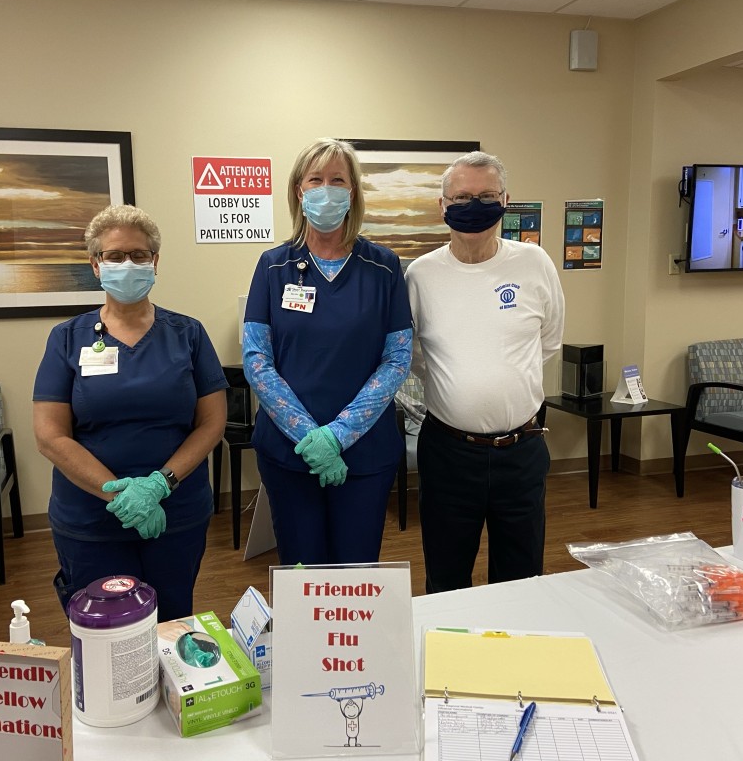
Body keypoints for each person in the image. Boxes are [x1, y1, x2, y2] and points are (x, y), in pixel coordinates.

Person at [33, 204, 227, 619]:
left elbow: (212, 422)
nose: (128, 264)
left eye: (139, 255)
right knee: (103, 630)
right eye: (115, 256)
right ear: (96, 265)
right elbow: (50, 435)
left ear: (155, 262)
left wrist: (160, 484)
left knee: (172, 623)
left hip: (176, 513)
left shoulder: (188, 334)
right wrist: (118, 494)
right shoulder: (66, 338)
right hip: (91, 519)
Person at [242, 138, 412, 566]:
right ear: (299, 190)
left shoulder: (384, 267)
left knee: (356, 570)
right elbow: (257, 360)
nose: (326, 189)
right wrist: (308, 436)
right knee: (301, 570)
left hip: (365, 454)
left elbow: (397, 359)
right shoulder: (273, 266)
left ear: (353, 192)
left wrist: (337, 435)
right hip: (289, 453)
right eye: (315, 179)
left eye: (338, 180)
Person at [405, 151, 565, 593]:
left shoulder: (535, 264)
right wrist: (462, 386)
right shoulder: (421, 275)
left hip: (521, 450)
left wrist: (501, 382)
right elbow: (415, 355)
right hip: (448, 454)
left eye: (487, 196)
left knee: (523, 582)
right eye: (461, 197)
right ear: (442, 205)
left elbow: (548, 341)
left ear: (505, 201)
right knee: (446, 581)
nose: (473, 206)